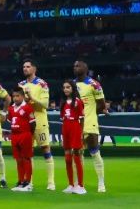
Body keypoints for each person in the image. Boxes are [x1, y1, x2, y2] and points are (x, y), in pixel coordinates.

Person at [19, 59, 55, 190]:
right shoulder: (21, 84)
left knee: (45, 149)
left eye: (28, 66)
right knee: (27, 152)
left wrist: (31, 97)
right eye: (24, 67)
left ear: (34, 69)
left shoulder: (42, 84)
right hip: (26, 123)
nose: (25, 69)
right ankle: (29, 182)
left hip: (39, 121)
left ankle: (51, 182)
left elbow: (45, 105)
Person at [73, 60, 107, 192]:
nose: (75, 68)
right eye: (74, 66)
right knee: (77, 152)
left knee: (94, 151)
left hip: (90, 122)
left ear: (85, 68)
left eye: (78, 66)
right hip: (76, 124)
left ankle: (101, 183)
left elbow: (101, 104)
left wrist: (91, 112)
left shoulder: (94, 84)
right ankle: (79, 183)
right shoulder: (72, 84)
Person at [7, 86, 36, 192]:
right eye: (13, 96)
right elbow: (11, 122)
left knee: (26, 158)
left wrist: (29, 135)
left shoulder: (28, 108)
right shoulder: (11, 108)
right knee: (18, 159)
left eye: (17, 96)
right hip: (14, 136)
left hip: (25, 135)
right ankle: (20, 181)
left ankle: (28, 183)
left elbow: (33, 124)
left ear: (23, 96)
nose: (15, 98)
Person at [60, 80, 86, 194]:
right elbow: (63, 119)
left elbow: (82, 118)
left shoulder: (78, 102)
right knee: (67, 158)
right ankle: (70, 184)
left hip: (75, 127)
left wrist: (81, 133)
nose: (65, 89)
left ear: (73, 88)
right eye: (64, 87)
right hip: (65, 129)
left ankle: (80, 186)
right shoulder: (63, 103)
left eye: (68, 87)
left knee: (76, 157)